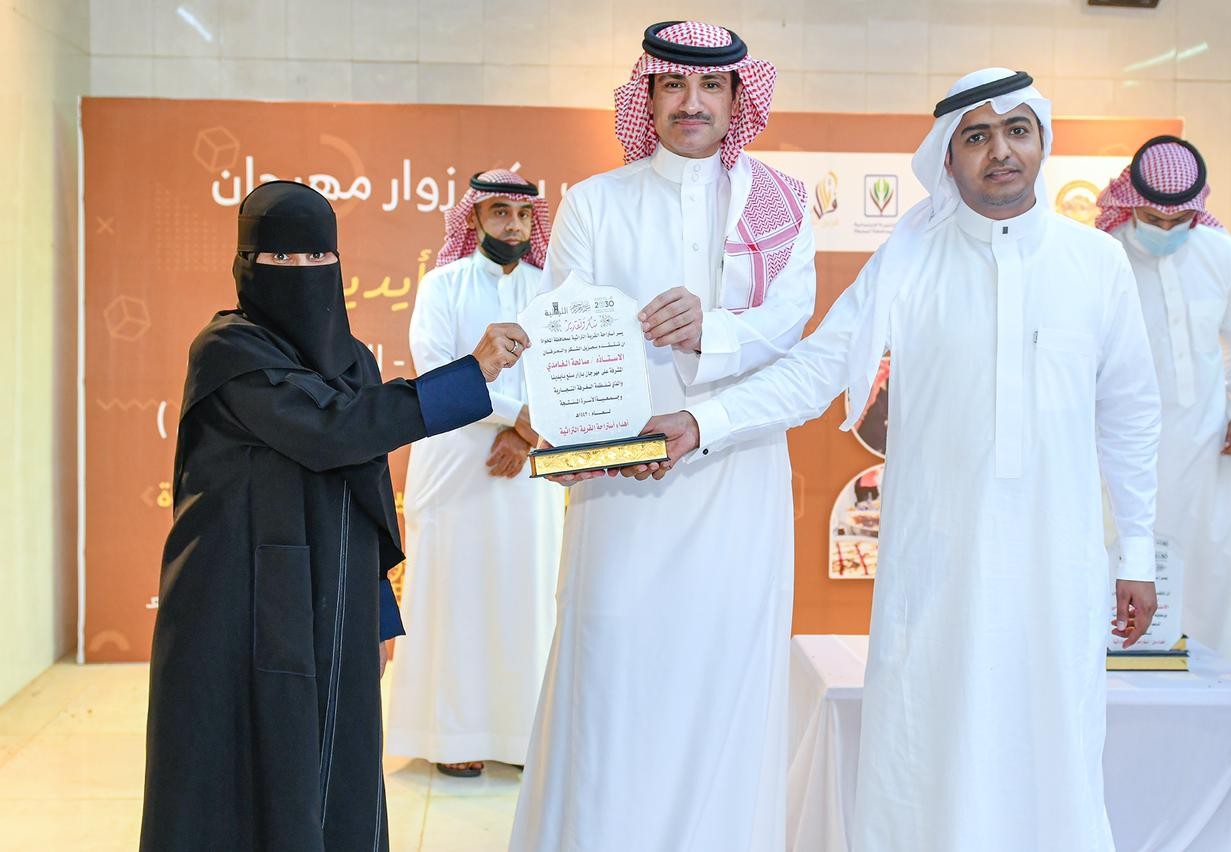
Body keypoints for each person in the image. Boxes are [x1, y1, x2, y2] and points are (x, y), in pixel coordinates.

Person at [647, 69, 1162, 850]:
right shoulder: (911, 259)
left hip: (1056, 569)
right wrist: (702, 420)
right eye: (976, 136)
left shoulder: (1096, 263)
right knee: (926, 754)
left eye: (1016, 130)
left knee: (1054, 749)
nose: (1000, 151)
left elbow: (1130, 414)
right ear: (946, 158)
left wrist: (1138, 554)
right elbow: (817, 368)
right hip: (937, 573)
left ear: (1043, 142)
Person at [140, 180, 528, 851]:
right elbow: (333, 432)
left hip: (330, 596)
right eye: (283, 260)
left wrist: (375, 612)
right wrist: (470, 374)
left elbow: (367, 487)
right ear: (246, 264)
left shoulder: (353, 362)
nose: (304, 273)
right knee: (233, 774)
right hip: (232, 605)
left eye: (319, 257)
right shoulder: (228, 351)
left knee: (332, 775)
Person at [508, 21, 816, 851]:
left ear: (737, 97)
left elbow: (790, 326)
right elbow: (567, 333)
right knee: (612, 676)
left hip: (736, 474)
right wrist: (582, 435)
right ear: (645, 96)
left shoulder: (782, 203)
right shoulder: (595, 202)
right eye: (673, 84)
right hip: (620, 490)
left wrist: (711, 327)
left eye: (710, 86)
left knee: (725, 679)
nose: (692, 102)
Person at [386, 170, 563, 778]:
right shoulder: (442, 286)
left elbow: (567, 371)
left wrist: (525, 434)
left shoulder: (550, 288)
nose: (513, 226)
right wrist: (515, 419)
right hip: (455, 462)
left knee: (524, 593)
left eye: (523, 215)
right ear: (475, 218)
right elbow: (438, 370)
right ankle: (452, 735)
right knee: (453, 595)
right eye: (499, 213)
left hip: (529, 468)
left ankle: (523, 736)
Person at [1097, 136, 1231, 675]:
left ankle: (1226, 695)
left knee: (1218, 578)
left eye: (1180, 221)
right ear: (1130, 202)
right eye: (1154, 219)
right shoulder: (1102, 258)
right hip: (1123, 463)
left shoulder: (1221, 253)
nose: (1167, 230)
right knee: (1125, 583)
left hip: (1209, 458)